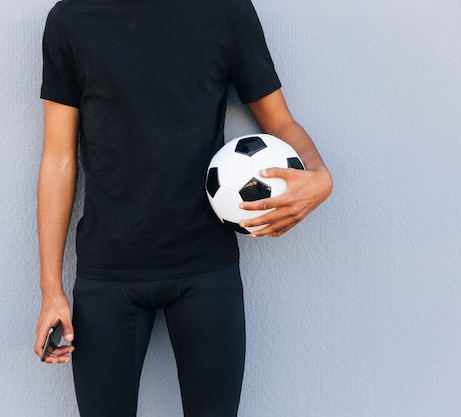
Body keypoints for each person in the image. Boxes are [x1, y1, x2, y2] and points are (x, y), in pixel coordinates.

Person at [33, 0, 333, 415]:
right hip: (108, 276)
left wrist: (320, 175)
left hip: (206, 270)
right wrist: (51, 289)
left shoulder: (226, 11)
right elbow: (58, 158)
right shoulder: (69, 19)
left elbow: (279, 122)